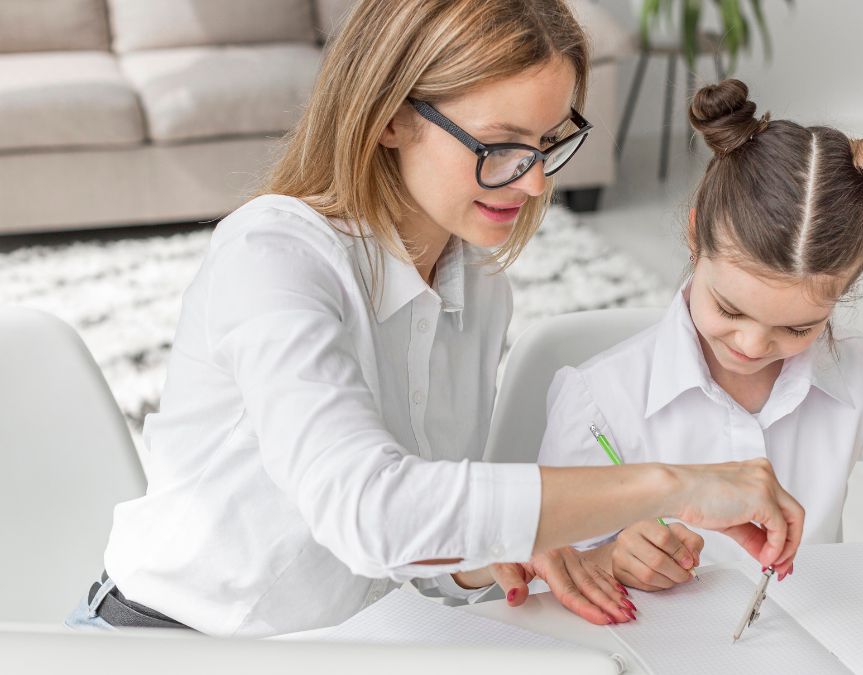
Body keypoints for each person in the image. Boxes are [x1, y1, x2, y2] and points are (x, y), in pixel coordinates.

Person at [66, 4, 803, 636]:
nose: (536, 179)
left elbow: (403, 544)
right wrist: (674, 482)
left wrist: (519, 550)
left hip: (339, 647)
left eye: (549, 142)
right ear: (390, 117)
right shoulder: (273, 258)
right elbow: (372, 511)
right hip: (162, 644)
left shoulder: (478, 288)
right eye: (502, 144)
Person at [536, 79, 863, 633]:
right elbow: (534, 567)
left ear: (847, 289)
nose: (751, 346)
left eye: (798, 327)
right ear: (695, 236)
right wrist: (613, 558)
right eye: (728, 308)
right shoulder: (600, 398)